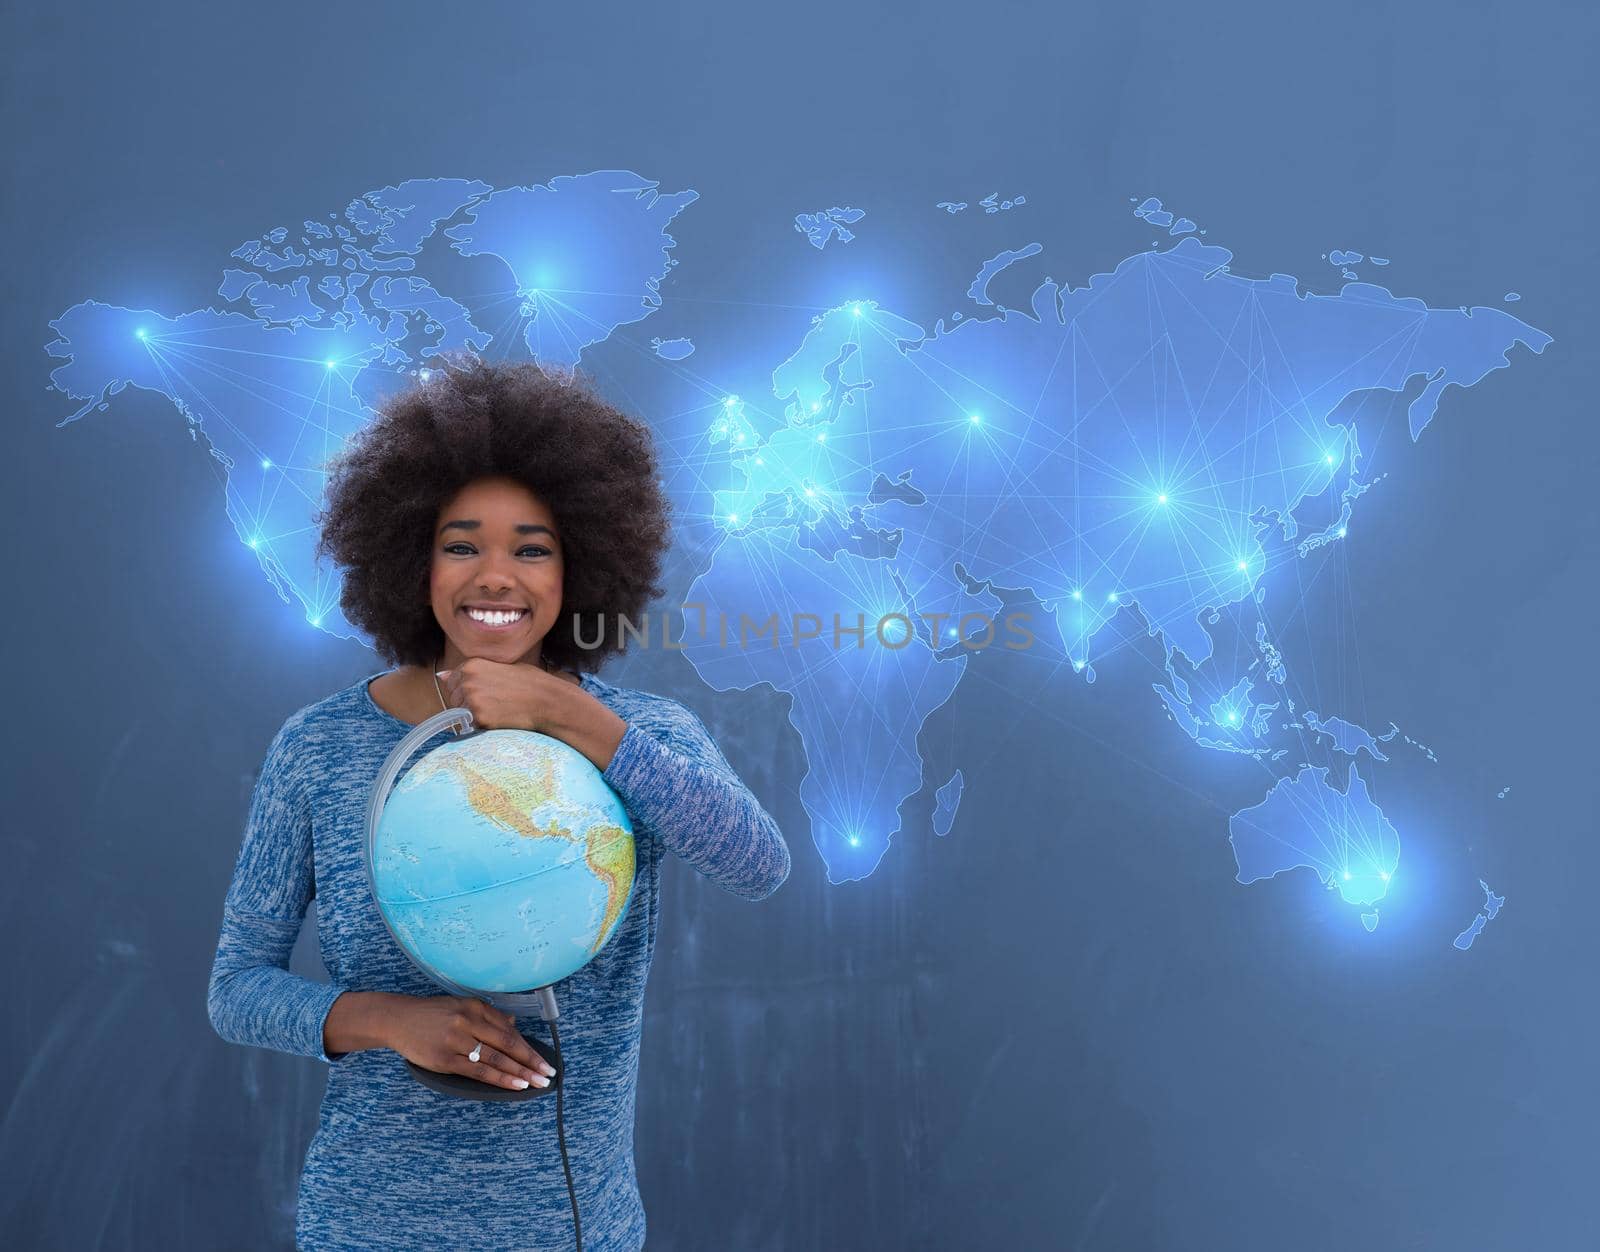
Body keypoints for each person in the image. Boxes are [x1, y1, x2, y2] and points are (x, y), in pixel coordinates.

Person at [206, 358, 791, 1251]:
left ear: (581, 564)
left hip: (576, 1231)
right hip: (369, 1226)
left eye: (532, 547)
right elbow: (237, 989)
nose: (495, 577)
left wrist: (573, 717)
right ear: (411, 556)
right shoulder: (318, 747)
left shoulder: (633, 733)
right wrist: (391, 1020)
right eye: (459, 543)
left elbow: (758, 864)